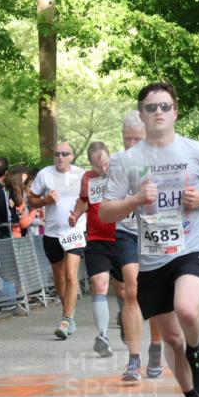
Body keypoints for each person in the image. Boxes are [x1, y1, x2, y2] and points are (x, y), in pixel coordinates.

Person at [102, 82, 199, 397]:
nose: (158, 112)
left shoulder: (196, 151)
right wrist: (135, 200)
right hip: (152, 256)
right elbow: (105, 212)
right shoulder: (126, 161)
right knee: (172, 339)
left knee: (187, 309)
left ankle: (197, 350)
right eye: (151, 107)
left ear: (175, 112)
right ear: (142, 114)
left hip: (191, 247)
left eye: (165, 106)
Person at [107, 111, 163, 381]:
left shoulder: (162, 160)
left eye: (136, 140)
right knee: (132, 289)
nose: (131, 145)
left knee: (154, 291)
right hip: (126, 230)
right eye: (126, 139)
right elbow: (108, 203)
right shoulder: (116, 161)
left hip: (154, 230)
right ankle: (133, 359)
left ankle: (156, 348)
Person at [29, 141, 86, 339]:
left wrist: (76, 215)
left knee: (71, 274)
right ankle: (68, 313)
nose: (60, 157)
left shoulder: (81, 175)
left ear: (72, 156)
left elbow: (87, 201)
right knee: (59, 276)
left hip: (74, 231)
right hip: (52, 232)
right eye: (57, 154)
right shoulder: (45, 174)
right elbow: (31, 200)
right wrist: (45, 201)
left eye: (65, 154)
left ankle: (66, 320)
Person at [68, 141, 120, 357]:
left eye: (106, 164)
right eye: (98, 167)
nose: (103, 169)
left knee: (125, 290)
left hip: (122, 237)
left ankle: (126, 320)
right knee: (99, 284)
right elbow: (84, 201)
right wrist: (75, 215)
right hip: (97, 238)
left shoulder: (122, 172)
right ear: (90, 164)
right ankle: (103, 336)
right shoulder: (88, 178)